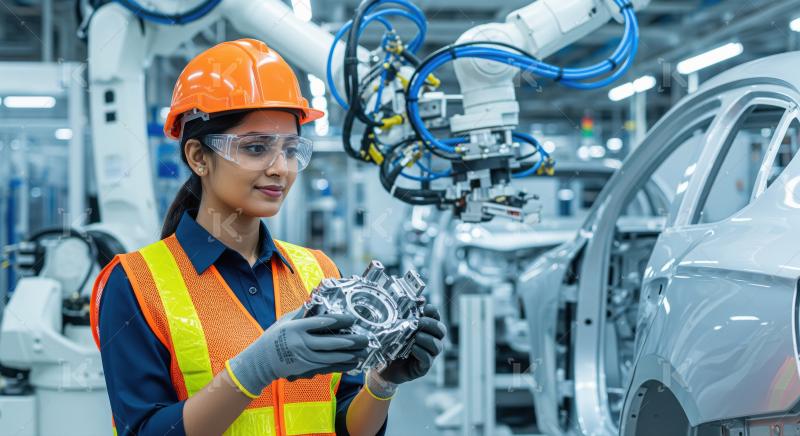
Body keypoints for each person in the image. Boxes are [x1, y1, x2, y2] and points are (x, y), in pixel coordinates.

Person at [89, 38, 446, 436]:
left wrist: (381, 384)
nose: (281, 168)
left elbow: (345, 425)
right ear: (197, 157)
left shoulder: (318, 272)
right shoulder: (136, 284)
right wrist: (254, 369)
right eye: (256, 148)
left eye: (291, 149)